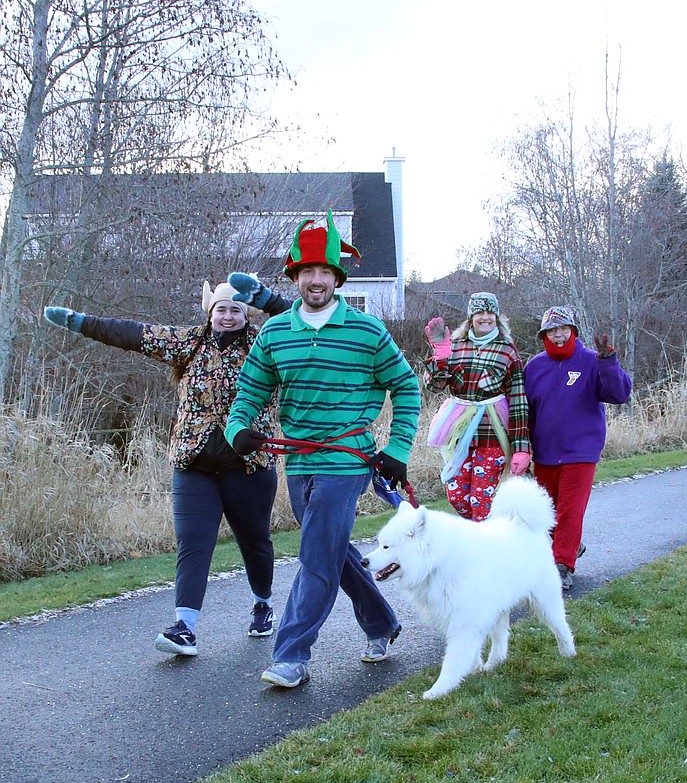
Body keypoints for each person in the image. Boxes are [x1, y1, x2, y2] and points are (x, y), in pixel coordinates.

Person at [43, 280, 292, 657]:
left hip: (250, 465)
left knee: (255, 543)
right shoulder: (189, 342)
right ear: (210, 314)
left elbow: (301, 320)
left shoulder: (265, 343)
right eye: (221, 310)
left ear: (247, 314)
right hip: (194, 465)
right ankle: (185, 628)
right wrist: (80, 322)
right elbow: (132, 334)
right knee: (193, 544)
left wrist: (267, 299)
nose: (227, 316)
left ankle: (263, 602)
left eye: (236, 310)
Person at [224, 212, 421, 689]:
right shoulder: (274, 333)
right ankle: (381, 623)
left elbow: (407, 386)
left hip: (348, 458)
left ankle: (291, 655)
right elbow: (247, 393)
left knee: (315, 555)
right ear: (295, 275)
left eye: (325, 272)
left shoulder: (367, 332)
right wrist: (238, 431)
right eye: (307, 272)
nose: (316, 280)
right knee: (332, 549)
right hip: (299, 461)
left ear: (337, 277)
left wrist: (396, 447)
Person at [525, 306, 632, 590]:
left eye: (563, 329)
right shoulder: (534, 367)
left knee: (570, 511)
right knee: (545, 512)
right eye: (552, 330)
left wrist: (608, 361)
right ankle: (571, 544)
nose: (558, 335)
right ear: (543, 335)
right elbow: (524, 412)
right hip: (545, 452)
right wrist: (520, 449)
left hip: (581, 452)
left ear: (573, 331)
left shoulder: (591, 361)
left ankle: (562, 566)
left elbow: (619, 394)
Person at [423, 293, 530, 521]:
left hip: (492, 434)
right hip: (459, 434)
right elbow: (435, 386)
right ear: (471, 317)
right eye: (480, 313)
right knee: (457, 496)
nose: (485, 317)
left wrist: (521, 448)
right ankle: (480, 538)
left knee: (482, 502)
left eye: (490, 313)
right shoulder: (455, 346)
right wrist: (440, 355)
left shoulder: (507, 351)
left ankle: (487, 549)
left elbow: (519, 401)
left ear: (497, 317)